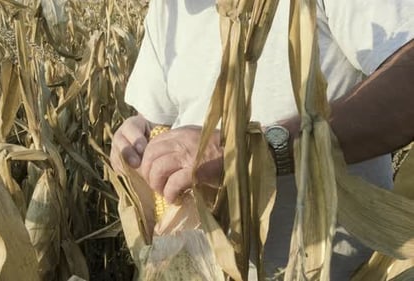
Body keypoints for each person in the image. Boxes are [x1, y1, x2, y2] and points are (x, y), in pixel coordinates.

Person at [110, 0, 414, 279]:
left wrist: (256, 151)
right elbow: (159, 118)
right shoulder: (172, 8)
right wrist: (139, 134)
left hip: (333, 269)